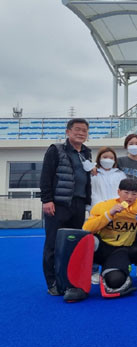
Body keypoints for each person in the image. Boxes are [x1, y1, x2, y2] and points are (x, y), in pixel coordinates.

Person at [40, 118, 92, 296]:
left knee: (73, 244)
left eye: (84, 130)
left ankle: (70, 279)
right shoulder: (56, 150)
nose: (81, 133)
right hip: (58, 204)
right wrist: (47, 200)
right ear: (68, 132)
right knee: (53, 245)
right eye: (77, 129)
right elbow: (46, 176)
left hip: (78, 204)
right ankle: (52, 282)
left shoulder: (86, 153)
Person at [82, 178, 137, 297]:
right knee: (84, 240)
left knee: (115, 280)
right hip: (101, 247)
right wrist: (110, 214)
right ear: (118, 192)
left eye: (134, 194)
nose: (129, 197)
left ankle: (112, 274)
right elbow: (86, 229)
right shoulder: (103, 206)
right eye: (126, 193)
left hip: (120, 250)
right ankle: (76, 282)